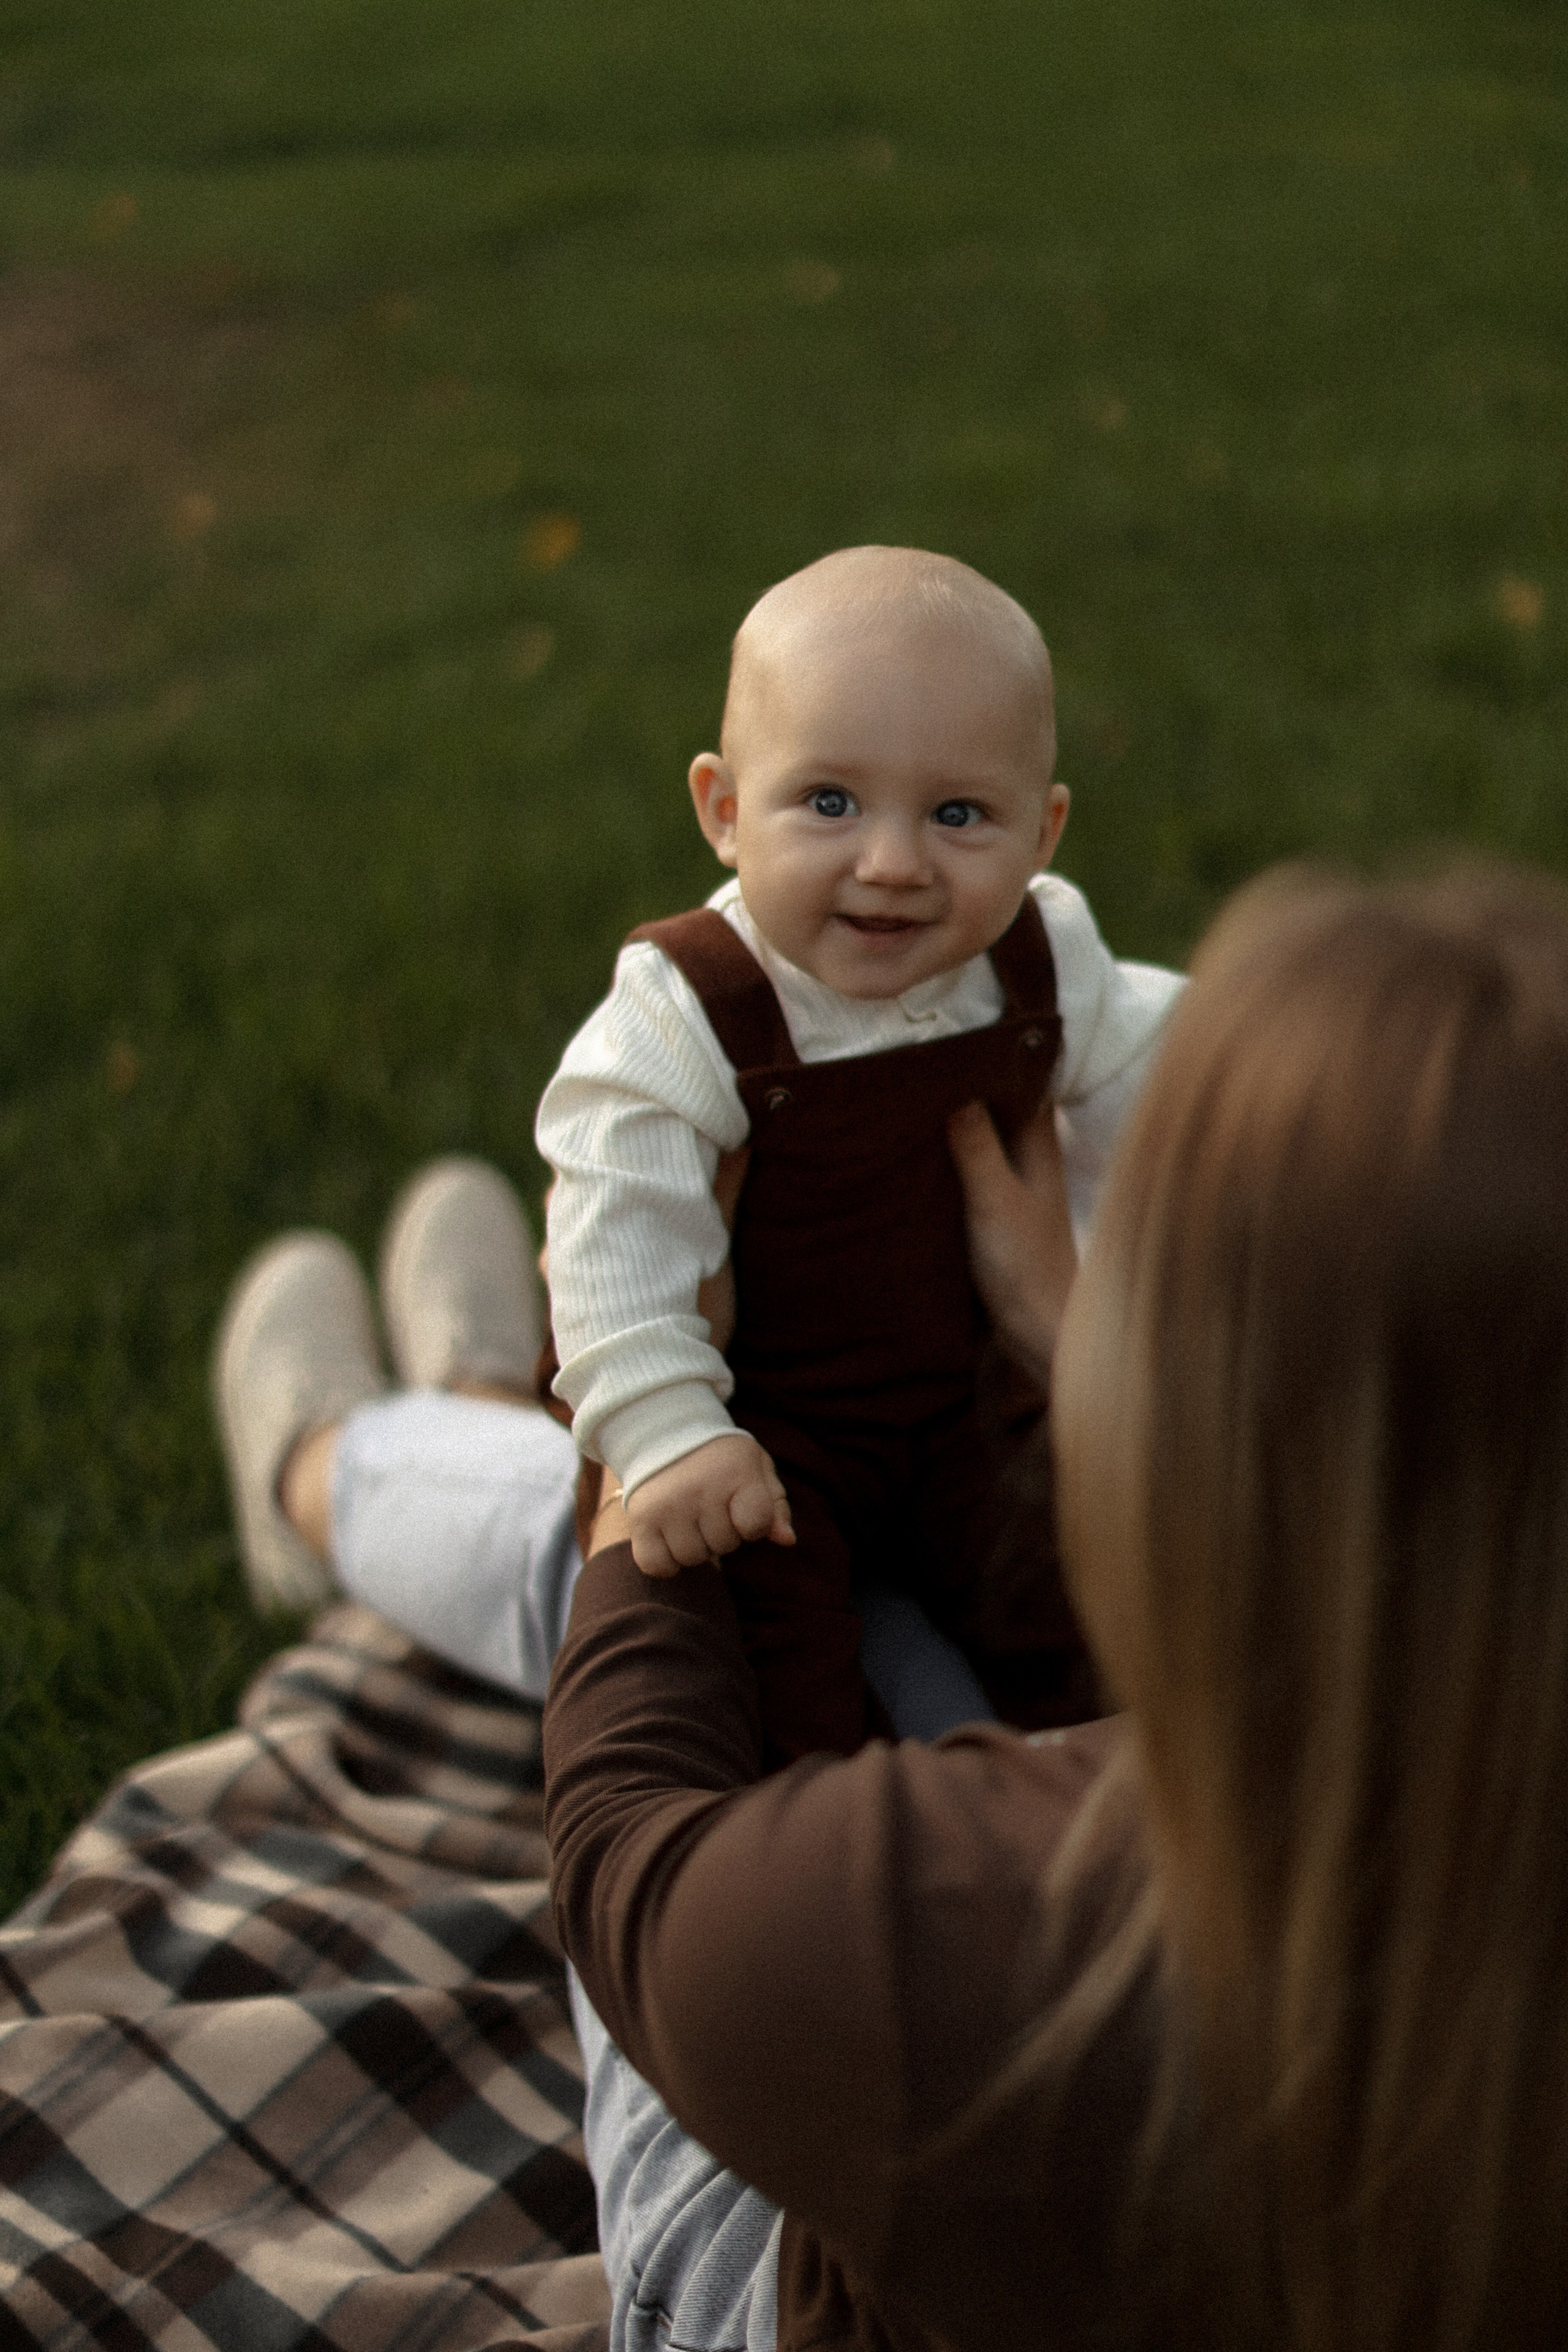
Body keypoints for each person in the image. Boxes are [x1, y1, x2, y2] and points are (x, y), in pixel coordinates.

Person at [545, 859, 1568, 2352]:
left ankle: (328, 1459)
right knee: (875, 1606)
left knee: (625, 1555)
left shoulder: (944, 1916)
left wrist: (637, 1456)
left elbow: (622, 1855)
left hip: (787, 2274)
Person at [536, 543, 1183, 1758]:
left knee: (1088, 1609)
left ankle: (1101, 1816)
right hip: (765, 1429)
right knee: (776, 1673)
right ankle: (832, 1852)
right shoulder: (691, 1010)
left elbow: (1181, 1073)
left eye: (956, 814)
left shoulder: (1040, 961)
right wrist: (671, 1429)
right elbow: (609, 1233)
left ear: (1041, 833)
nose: (891, 863)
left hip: (974, 1404)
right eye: (828, 804)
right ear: (723, 811)